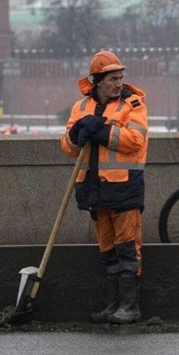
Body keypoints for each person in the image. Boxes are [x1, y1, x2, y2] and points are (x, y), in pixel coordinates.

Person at [61, 50, 149, 324]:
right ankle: (113, 306)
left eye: (120, 78)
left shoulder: (133, 105)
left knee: (127, 250)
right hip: (95, 191)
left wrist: (99, 129)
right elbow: (68, 147)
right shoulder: (80, 108)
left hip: (124, 190)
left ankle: (130, 308)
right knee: (108, 252)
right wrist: (78, 132)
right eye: (113, 79)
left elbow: (135, 140)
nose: (118, 84)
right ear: (98, 81)